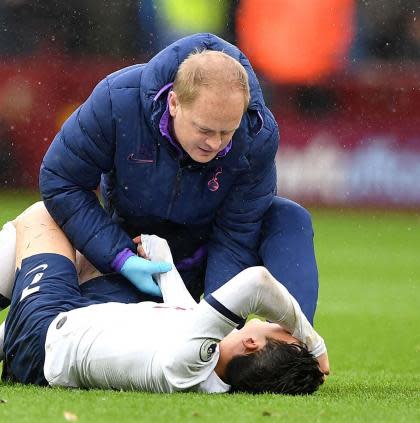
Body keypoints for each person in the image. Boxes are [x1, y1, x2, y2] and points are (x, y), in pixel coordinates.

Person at [0, 203, 328, 394]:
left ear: (253, 344)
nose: (280, 325)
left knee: (44, 216)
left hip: (45, 336)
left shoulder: (189, 360)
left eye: (280, 332)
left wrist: (314, 341)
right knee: (95, 257)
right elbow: (181, 308)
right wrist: (159, 254)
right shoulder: (207, 362)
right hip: (62, 340)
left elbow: (257, 281)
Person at [39, 33, 320, 323]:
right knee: (42, 221)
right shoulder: (116, 101)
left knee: (289, 218)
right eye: (205, 130)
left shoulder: (256, 133)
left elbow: (237, 234)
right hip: (134, 254)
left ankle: (293, 347)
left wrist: (217, 322)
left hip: (204, 255)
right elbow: (61, 179)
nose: (215, 143)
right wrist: (120, 257)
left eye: (227, 132)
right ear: (173, 103)